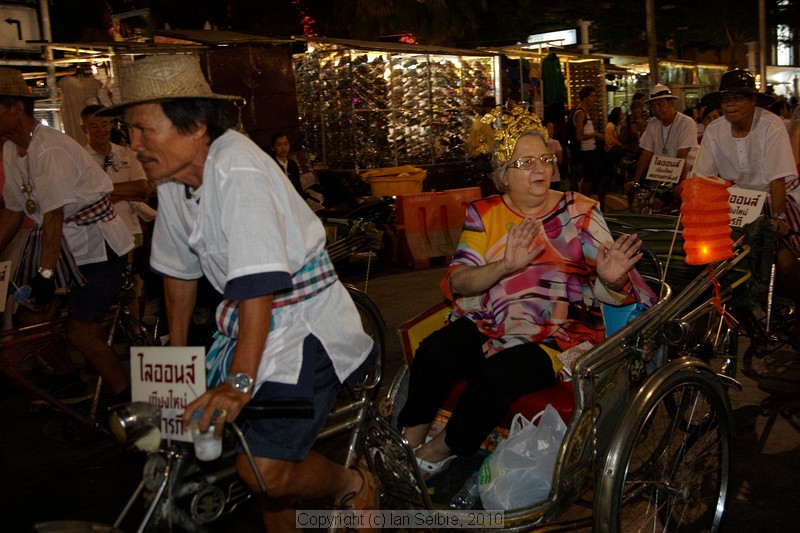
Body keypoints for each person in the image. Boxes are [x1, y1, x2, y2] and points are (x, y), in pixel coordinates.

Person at [103, 54, 378, 531]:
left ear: (194, 126)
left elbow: (258, 287)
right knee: (245, 466)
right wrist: (177, 355)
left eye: (145, 129)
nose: (137, 145)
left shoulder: (239, 169)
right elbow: (178, 273)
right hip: (249, 324)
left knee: (264, 472)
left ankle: (351, 483)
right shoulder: (173, 178)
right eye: (130, 132)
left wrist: (240, 384)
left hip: (302, 327)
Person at [397, 106, 656, 475]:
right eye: (526, 162)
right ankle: (409, 439)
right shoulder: (483, 213)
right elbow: (459, 280)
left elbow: (610, 292)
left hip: (562, 333)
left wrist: (611, 278)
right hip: (493, 320)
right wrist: (504, 266)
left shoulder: (580, 211)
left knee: (497, 377)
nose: (540, 168)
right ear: (503, 176)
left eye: (545, 159)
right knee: (436, 351)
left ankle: (439, 452)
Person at [0, 67, 134, 403]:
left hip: (99, 247)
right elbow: (15, 211)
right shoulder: (10, 150)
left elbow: (53, 217)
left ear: (16, 108)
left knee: (81, 333)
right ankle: (68, 378)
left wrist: (45, 274)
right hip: (63, 246)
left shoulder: (49, 150)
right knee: (29, 319)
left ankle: (124, 398)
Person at [693, 69, 800, 349]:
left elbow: (777, 179)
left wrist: (776, 218)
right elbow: (701, 179)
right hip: (734, 202)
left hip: (773, 198)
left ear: (753, 100)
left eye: (739, 97)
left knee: (786, 257)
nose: (731, 103)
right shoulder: (714, 131)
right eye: (726, 98)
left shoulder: (771, 125)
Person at [81, 104, 153, 336]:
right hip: (97, 232)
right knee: (104, 284)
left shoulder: (126, 154)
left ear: (112, 124)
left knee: (134, 284)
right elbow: (85, 197)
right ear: (84, 127)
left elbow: (142, 188)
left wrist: (103, 192)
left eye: (104, 123)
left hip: (130, 228)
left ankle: (135, 332)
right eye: (94, 125)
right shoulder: (80, 158)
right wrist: (122, 191)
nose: (100, 129)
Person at [627, 84, 699, 212]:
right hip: (662, 174)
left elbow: (682, 155)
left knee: (678, 207)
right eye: (653, 106)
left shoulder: (686, 123)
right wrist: (635, 181)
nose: (656, 109)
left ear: (671, 103)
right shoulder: (653, 123)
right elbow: (646, 153)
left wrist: (681, 184)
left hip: (685, 173)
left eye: (660, 104)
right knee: (647, 201)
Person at [570, 86, 605, 205]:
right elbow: (579, 136)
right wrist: (595, 135)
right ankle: (584, 205)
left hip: (591, 151)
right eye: (592, 96)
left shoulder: (584, 113)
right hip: (586, 152)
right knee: (588, 180)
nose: (594, 99)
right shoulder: (580, 113)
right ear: (585, 98)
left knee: (600, 177)